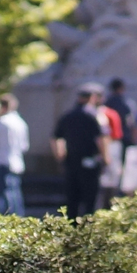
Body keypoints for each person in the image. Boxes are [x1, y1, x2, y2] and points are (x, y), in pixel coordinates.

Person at [53, 84, 107, 219]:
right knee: (90, 198)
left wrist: (60, 155)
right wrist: (106, 157)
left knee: (72, 197)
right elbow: (101, 138)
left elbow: (56, 138)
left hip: (71, 161)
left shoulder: (67, 116)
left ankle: (72, 226)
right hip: (90, 160)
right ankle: (89, 226)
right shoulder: (95, 116)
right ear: (92, 98)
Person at [0, 95, 30, 216]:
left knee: (3, 196)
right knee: (15, 194)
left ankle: (6, 221)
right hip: (17, 162)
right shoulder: (21, 123)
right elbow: (25, 146)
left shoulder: (2, 122)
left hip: (3, 160)